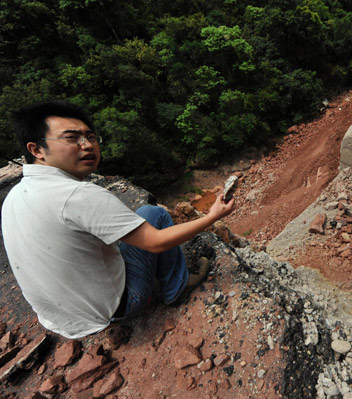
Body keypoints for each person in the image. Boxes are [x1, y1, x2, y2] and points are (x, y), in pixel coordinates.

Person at [1, 101, 235, 339]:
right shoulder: (78, 196)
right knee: (154, 214)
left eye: (90, 137)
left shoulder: (14, 196)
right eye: (72, 138)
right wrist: (212, 216)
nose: (87, 145)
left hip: (60, 321)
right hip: (115, 310)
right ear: (36, 150)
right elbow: (156, 242)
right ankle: (176, 288)